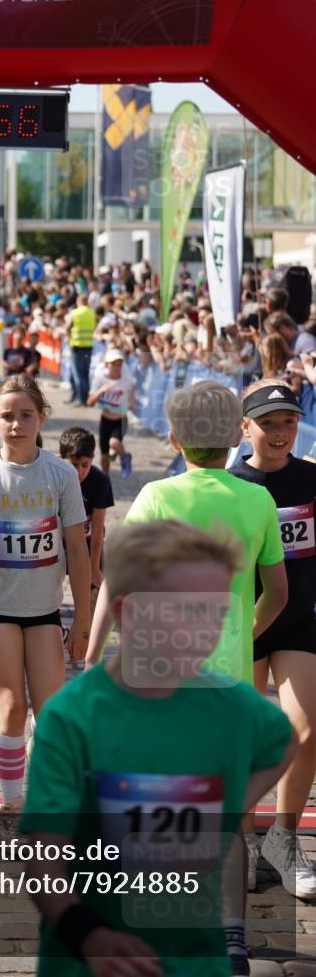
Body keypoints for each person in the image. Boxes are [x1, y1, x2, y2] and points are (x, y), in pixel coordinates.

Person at [21, 520, 296, 977]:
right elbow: (41, 848)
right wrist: (84, 931)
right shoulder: (73, 717)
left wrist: (229, 810)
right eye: (189, 612)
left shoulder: (229, 703)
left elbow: (284, 740)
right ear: (130, 614)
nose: (210, 630)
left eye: (218, 612)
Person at [87, 381, 287, 686]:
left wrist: (92, 659)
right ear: (236, 436)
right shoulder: (259, 500)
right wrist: (243, 634)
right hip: (230, 674)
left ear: (174, 439)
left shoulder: (156, 496)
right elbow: (277, 593)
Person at [0, 374, 90, 813]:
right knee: (12, 706)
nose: (16, 424)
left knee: (49, 713)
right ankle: (13, 806)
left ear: (42, 418)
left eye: (25, 415)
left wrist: (83, 618)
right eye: (7, 416)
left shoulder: (62, 474)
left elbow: (76, 548)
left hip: (45, 609)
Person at [228, 379, 316, 899]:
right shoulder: (230, 482)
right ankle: (243, 844)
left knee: (304, 729)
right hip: (241, 625)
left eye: (288, 421)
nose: (281, 431)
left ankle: (284, 839)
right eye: (268, 422)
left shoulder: (311, 480)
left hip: (299, 619)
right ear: (245, 427)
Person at [58, 426, 114, 621]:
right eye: (73, 465)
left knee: (99, 591)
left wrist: (93, 568)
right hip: (57, 544)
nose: (79, 471)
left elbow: (98, 529)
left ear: (92, 460)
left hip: (89, 543)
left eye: (85, 465)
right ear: (60, 458)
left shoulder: (100, 481)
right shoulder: (54, 477)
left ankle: (87, 631)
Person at [86, 348, 136, 477]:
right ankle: (105, 478)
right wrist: (101, 391)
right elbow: (89, 402)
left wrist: (131, 401)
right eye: (113, 364)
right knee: (104, 456)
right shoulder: (100, 379)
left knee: (113, 443)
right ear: (107, 365)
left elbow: (132, 389)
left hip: (120, 420)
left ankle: (125, 457)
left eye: (119, 364)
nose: (117, 367)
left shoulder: (125, 379)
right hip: (105, 420)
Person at [66, 294, 96, 406]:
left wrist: (69, 339)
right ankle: (82, 397)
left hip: (76, 346)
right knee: (85, 374)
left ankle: (81, 399)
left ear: (78, 301)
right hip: (88, 346)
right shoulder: (92, 313)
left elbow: (67, 327)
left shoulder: (74, 313)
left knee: (78, 375)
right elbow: (93, 327)